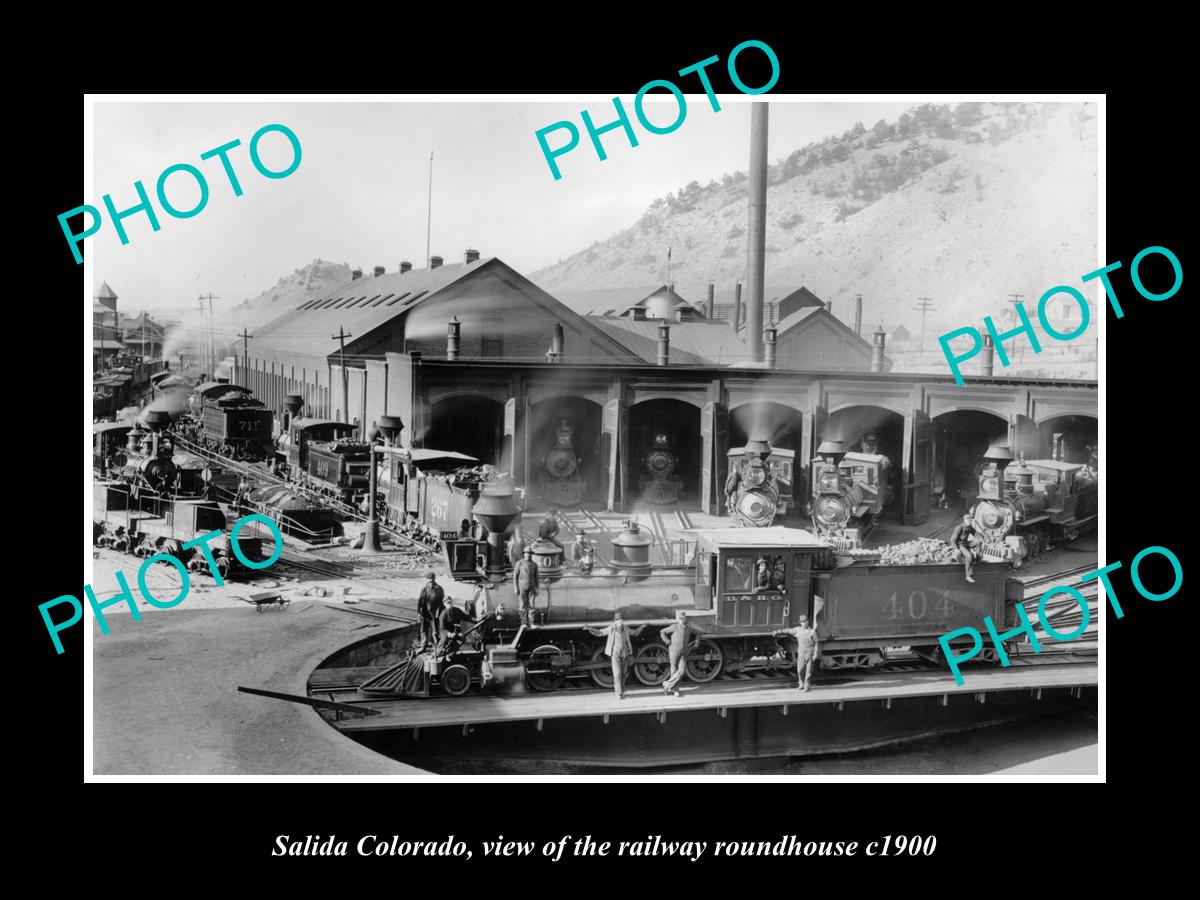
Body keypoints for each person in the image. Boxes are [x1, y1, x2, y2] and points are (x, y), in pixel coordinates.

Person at [585, 612, 647, 699]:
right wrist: (590, 629)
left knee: (624, 674)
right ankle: (618, 693)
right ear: (615, 622)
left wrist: (641, 627)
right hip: (615, 655)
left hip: (625, 654)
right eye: (618, 621)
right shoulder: (611, 629)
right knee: (617, 674)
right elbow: (600, 632)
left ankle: (622, 692)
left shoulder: (625, 628)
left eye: (621, 620)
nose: (620, 622)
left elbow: (634, 633)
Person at [659, 610, 701, 697]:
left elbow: (698, 633)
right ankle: (675, 690)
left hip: (684, 652)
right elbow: (662, 632)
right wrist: (667, 641)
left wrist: (697, 642)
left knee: (682, 671)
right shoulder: (674, 627)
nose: (681, 620)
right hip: (674, 651)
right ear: (677, 619)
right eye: (680, 619)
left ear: (685, 619)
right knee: (674, 670)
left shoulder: (688, 628)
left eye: (683, 618)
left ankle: (667, 684)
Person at [774, 614, 820, 691]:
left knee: (808, 671)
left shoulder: (812, 632)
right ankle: (801, 684)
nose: (804, 623)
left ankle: (807, 686)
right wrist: (777, 631)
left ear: (808, 622)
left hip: (810, 653)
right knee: (800, 670)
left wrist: (816, 653)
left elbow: (816, 643)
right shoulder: (797, 630)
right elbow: (788, 630)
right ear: (800, 623)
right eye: (802, 622)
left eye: (805, 622)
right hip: (801, 652)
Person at [949, 513, 982, 583]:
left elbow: (976, 534)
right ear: (964, 520)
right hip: (960, 546)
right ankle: (968, 576)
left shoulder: (969, 527)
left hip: (966, 544)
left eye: (970, 519)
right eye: (968, 519)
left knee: (979, 542)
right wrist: (956, 549)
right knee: (969, 556)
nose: (970, 521)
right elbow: (952, 539)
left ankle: (978, 559)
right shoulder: (959, 528)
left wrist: (982, 539)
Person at [417, 572, 445, 648]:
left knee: (435, 630)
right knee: (423, 629)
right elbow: (420, 601)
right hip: (425, 612)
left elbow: (442, 601)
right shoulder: (424, 589)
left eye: (432, 581)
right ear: (427, 580)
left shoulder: (439, 589)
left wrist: (442, 612)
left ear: (434, 579)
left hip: (434, 612)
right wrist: (419, 612)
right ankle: (423, 644)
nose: (431, 583)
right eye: (430, 581)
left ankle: (436, 645)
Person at [513, 546, 539, 626]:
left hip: (531, 587)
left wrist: (537, 588)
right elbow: (515, 576)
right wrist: (516, 587)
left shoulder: (534, 565)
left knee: (531, 605)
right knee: (523, 605)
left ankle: (531, 622)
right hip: (522, 587)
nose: (528, 555)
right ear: (524, 554)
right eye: (527, 553)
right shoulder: (519, 563)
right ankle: (523, 622)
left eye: (530, 554)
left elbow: (536, 578)